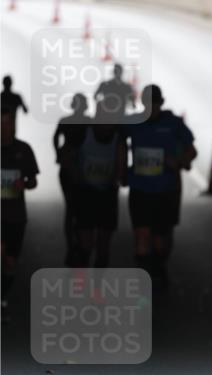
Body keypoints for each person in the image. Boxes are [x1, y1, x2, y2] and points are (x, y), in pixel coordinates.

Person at [124, 84, 196, 291]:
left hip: (166, 190)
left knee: (161, 240)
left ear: (161, 103)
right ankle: (145, 280)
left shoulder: (173, 124)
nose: (151, 107)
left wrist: (179, 161)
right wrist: (120, 171)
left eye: (154, 103)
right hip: (140, 189)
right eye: (147, 103)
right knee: (141, 236)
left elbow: (192, 151)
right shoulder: (132, 123)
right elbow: (114, 139)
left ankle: (160, 267)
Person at [72, 98, 126, 267]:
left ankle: (97, 285)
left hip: (107, 196)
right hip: (85, 194)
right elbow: (66, 155)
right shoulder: (82, 133)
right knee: (86, 245)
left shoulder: (118, 139)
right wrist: (76, 178)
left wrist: (118, 177)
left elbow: (122, 165)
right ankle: (81, 279)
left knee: (103, 246)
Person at [1, 111, 39, 322]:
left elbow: (33, 181)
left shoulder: (23, 150)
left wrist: (23, 184)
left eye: (9, 123)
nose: (5, 128)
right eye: (1, 124)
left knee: (9, 262)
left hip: (16, 216)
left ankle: (2, 298)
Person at [53, 93, 90, 265]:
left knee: (71, 208)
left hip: (70, 165)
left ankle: (73, 245)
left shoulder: (67, 121)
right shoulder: (88, 122)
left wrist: (59, 153)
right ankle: (78, 245)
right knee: (78, 208)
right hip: (80, 167)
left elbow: (55, 137)